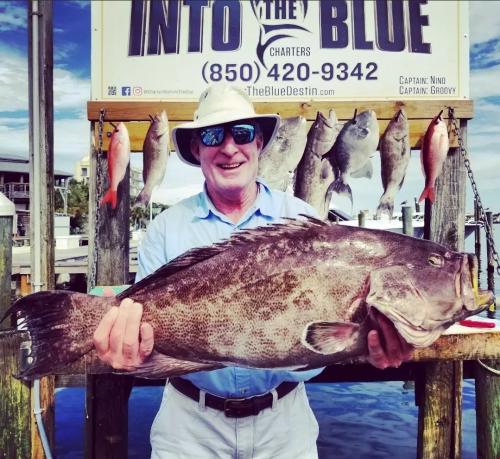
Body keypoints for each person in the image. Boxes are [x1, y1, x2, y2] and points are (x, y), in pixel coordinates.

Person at [93, 83, 413, 458]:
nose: (229, 148)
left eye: (242, 134)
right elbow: (147, 335)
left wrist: (368, 344)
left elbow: (327, 336)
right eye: (213, 136)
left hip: (284, 426)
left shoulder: (303, 220)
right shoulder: (165, 228)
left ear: (259, 143)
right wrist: (128, 350)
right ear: (197, 149)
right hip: (189, 428)